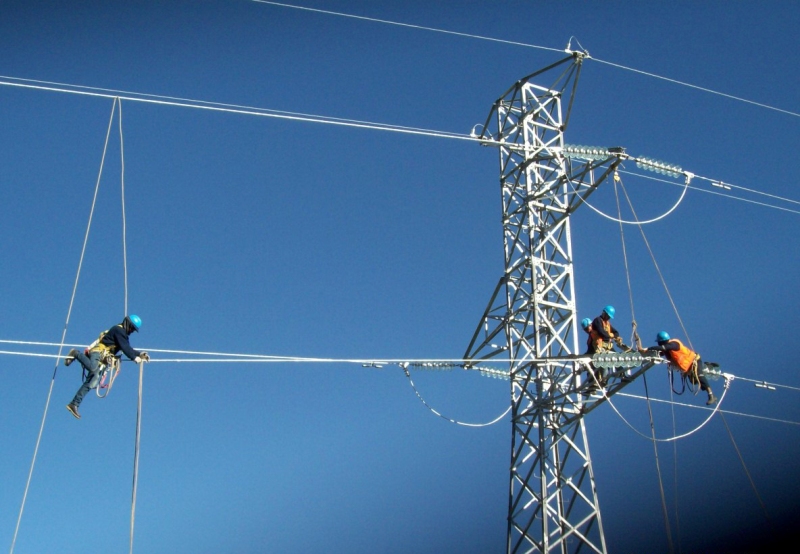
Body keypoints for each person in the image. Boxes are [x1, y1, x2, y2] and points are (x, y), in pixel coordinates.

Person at [65, 314, 150, 419]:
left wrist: (140, 354)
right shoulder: (118, 330)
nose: (132, 331)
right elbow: (125, 348)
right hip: (98, 352)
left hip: (103, 359)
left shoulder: (123, 335)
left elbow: (128, 348)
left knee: (92, 382)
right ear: (127, 323)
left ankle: (74, 404)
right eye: (132, 327)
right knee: (92, 367)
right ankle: (75, 353)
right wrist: (134, 357)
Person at [650, 331, 717, 405]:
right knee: (694, 381)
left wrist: (648, 349)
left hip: (695, 361)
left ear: (662, 342)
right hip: (688, 367)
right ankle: (703, 373)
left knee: (699, 375)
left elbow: (662, 348)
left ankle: (711, 395)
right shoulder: (668, 350)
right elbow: (659, 352)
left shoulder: (674, 344)